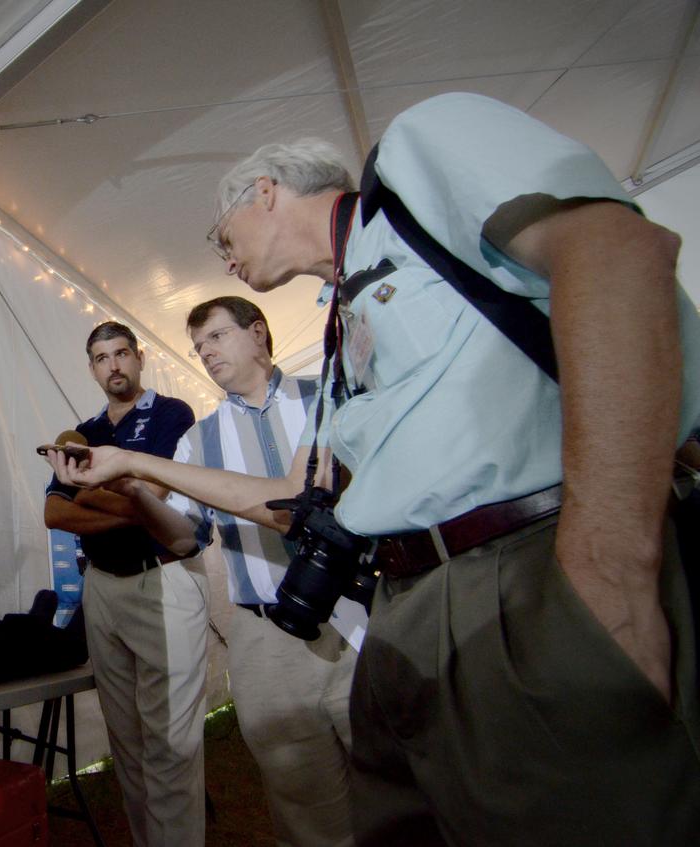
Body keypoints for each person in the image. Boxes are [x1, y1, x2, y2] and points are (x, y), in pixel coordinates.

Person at [51, 93, 700, 845]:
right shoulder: (340, 325)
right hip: (414, 611)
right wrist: (131, 462)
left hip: (526, 572)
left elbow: (614, 253)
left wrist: (611, 555)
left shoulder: (415, 152)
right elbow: (289, 503)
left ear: (264, 192)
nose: (220, 253)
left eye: (218, 231)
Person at [94, 296, 357, 847]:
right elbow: (186, 537)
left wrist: (138, 465)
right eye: (197, 347)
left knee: (402, 785)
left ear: (258, 332)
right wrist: (136, 494)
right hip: (266, 637)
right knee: (304, 809)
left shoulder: (329, 398)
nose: (205, 353)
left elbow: (298, 505)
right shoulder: (199, 440)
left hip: (361, 616)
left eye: (215, 337)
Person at [43, 321, 206, 847]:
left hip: (161, 578)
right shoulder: (83, 432)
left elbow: (153, 493)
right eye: (100, 357)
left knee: (170, 744)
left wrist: (96, 498)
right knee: (126, 742)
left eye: (121, 354)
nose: (112, 365)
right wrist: (130, 503)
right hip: (104, 588)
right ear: (91, 368)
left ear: (139, 358)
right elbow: (53, 513)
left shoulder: (170, 413)